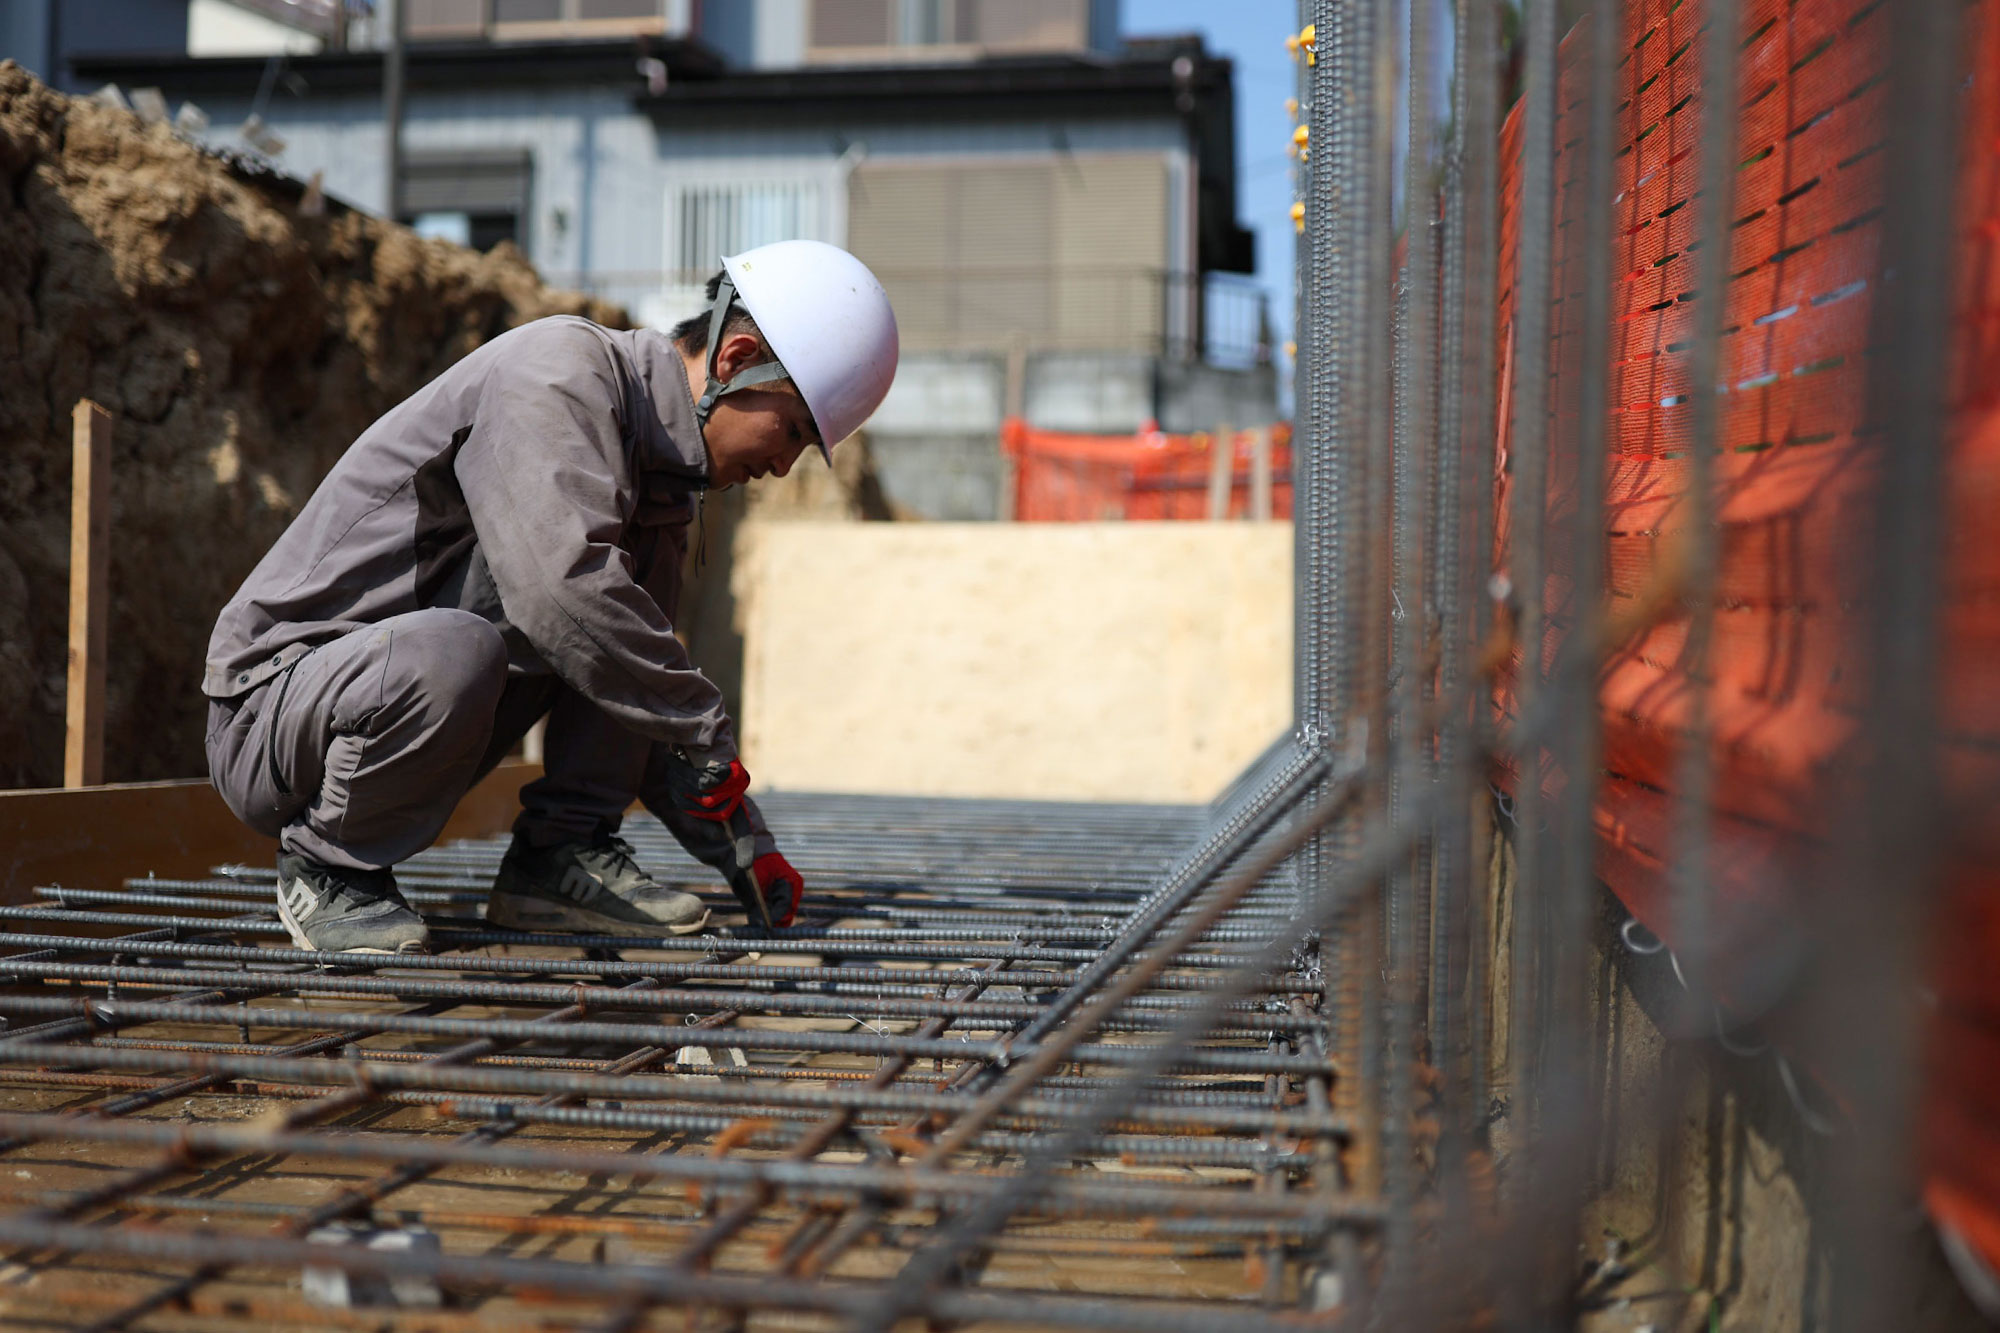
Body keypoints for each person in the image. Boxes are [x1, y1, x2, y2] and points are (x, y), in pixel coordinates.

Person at [201, 240, 899, 954]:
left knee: (624, 634)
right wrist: (703, 722)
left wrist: (742, 844)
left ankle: (557, 855)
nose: (784, 464)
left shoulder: (659, 486)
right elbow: (559, 596)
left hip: (384, 703)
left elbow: (629, 672)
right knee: (529, 629)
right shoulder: (560, 375)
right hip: (272, 712)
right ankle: (326, 866)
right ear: (734, 359)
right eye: (792, 430)